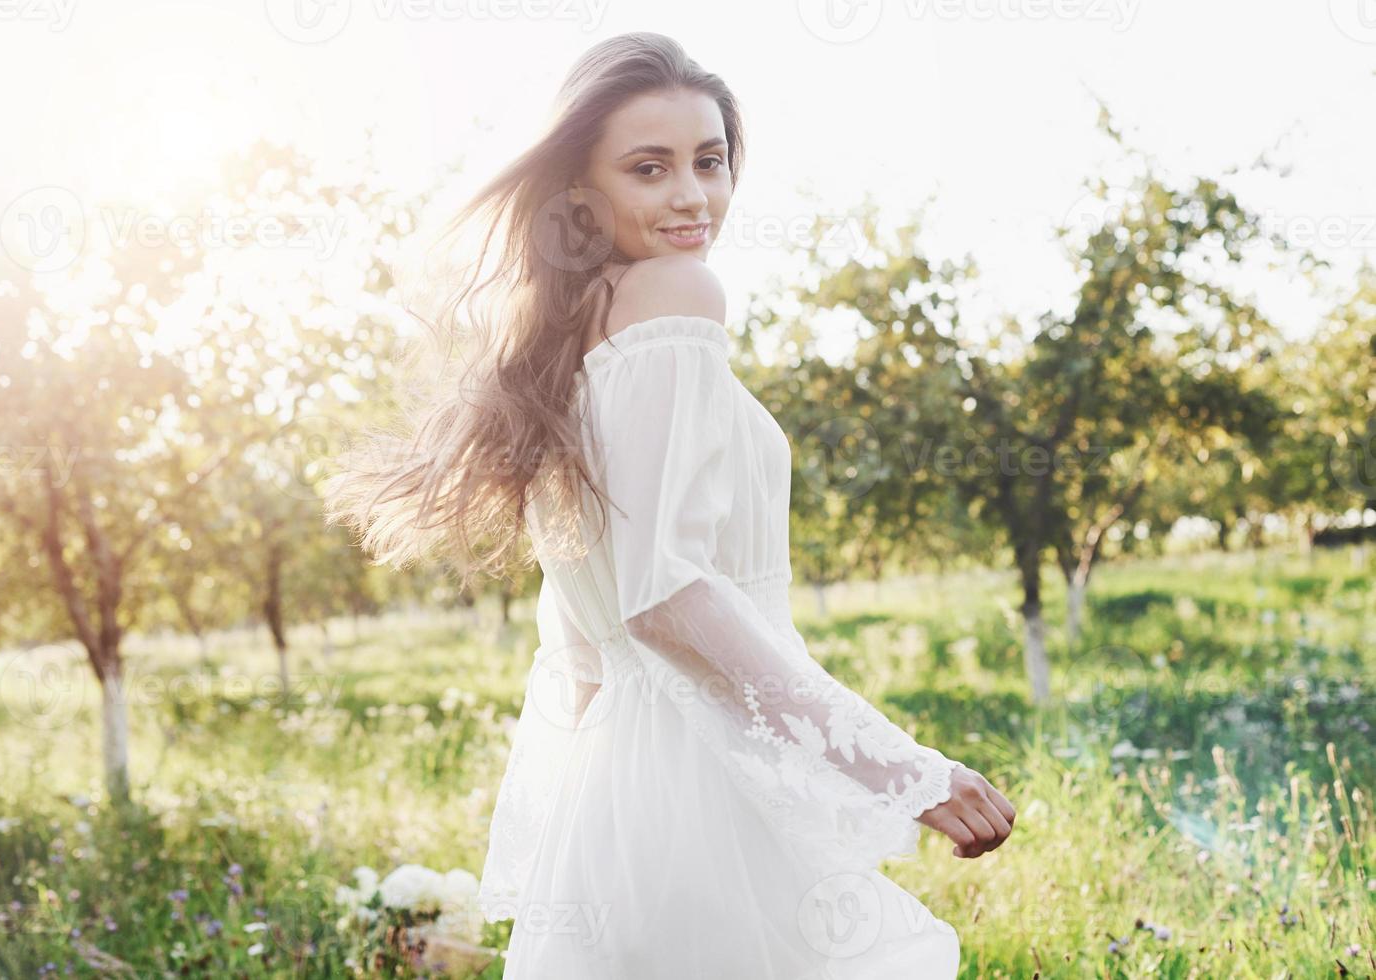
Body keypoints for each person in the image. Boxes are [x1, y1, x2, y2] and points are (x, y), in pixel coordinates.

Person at [324, 31, 1013, 980]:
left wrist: (605, 803)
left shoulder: (560, 339)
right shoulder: (675, 294)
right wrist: (902, 771)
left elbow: (579, 634)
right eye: (650, 169)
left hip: (623, 792)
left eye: (710, 160)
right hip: (698, 789)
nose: (693, 196)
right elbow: (666, 594)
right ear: (581, 192)